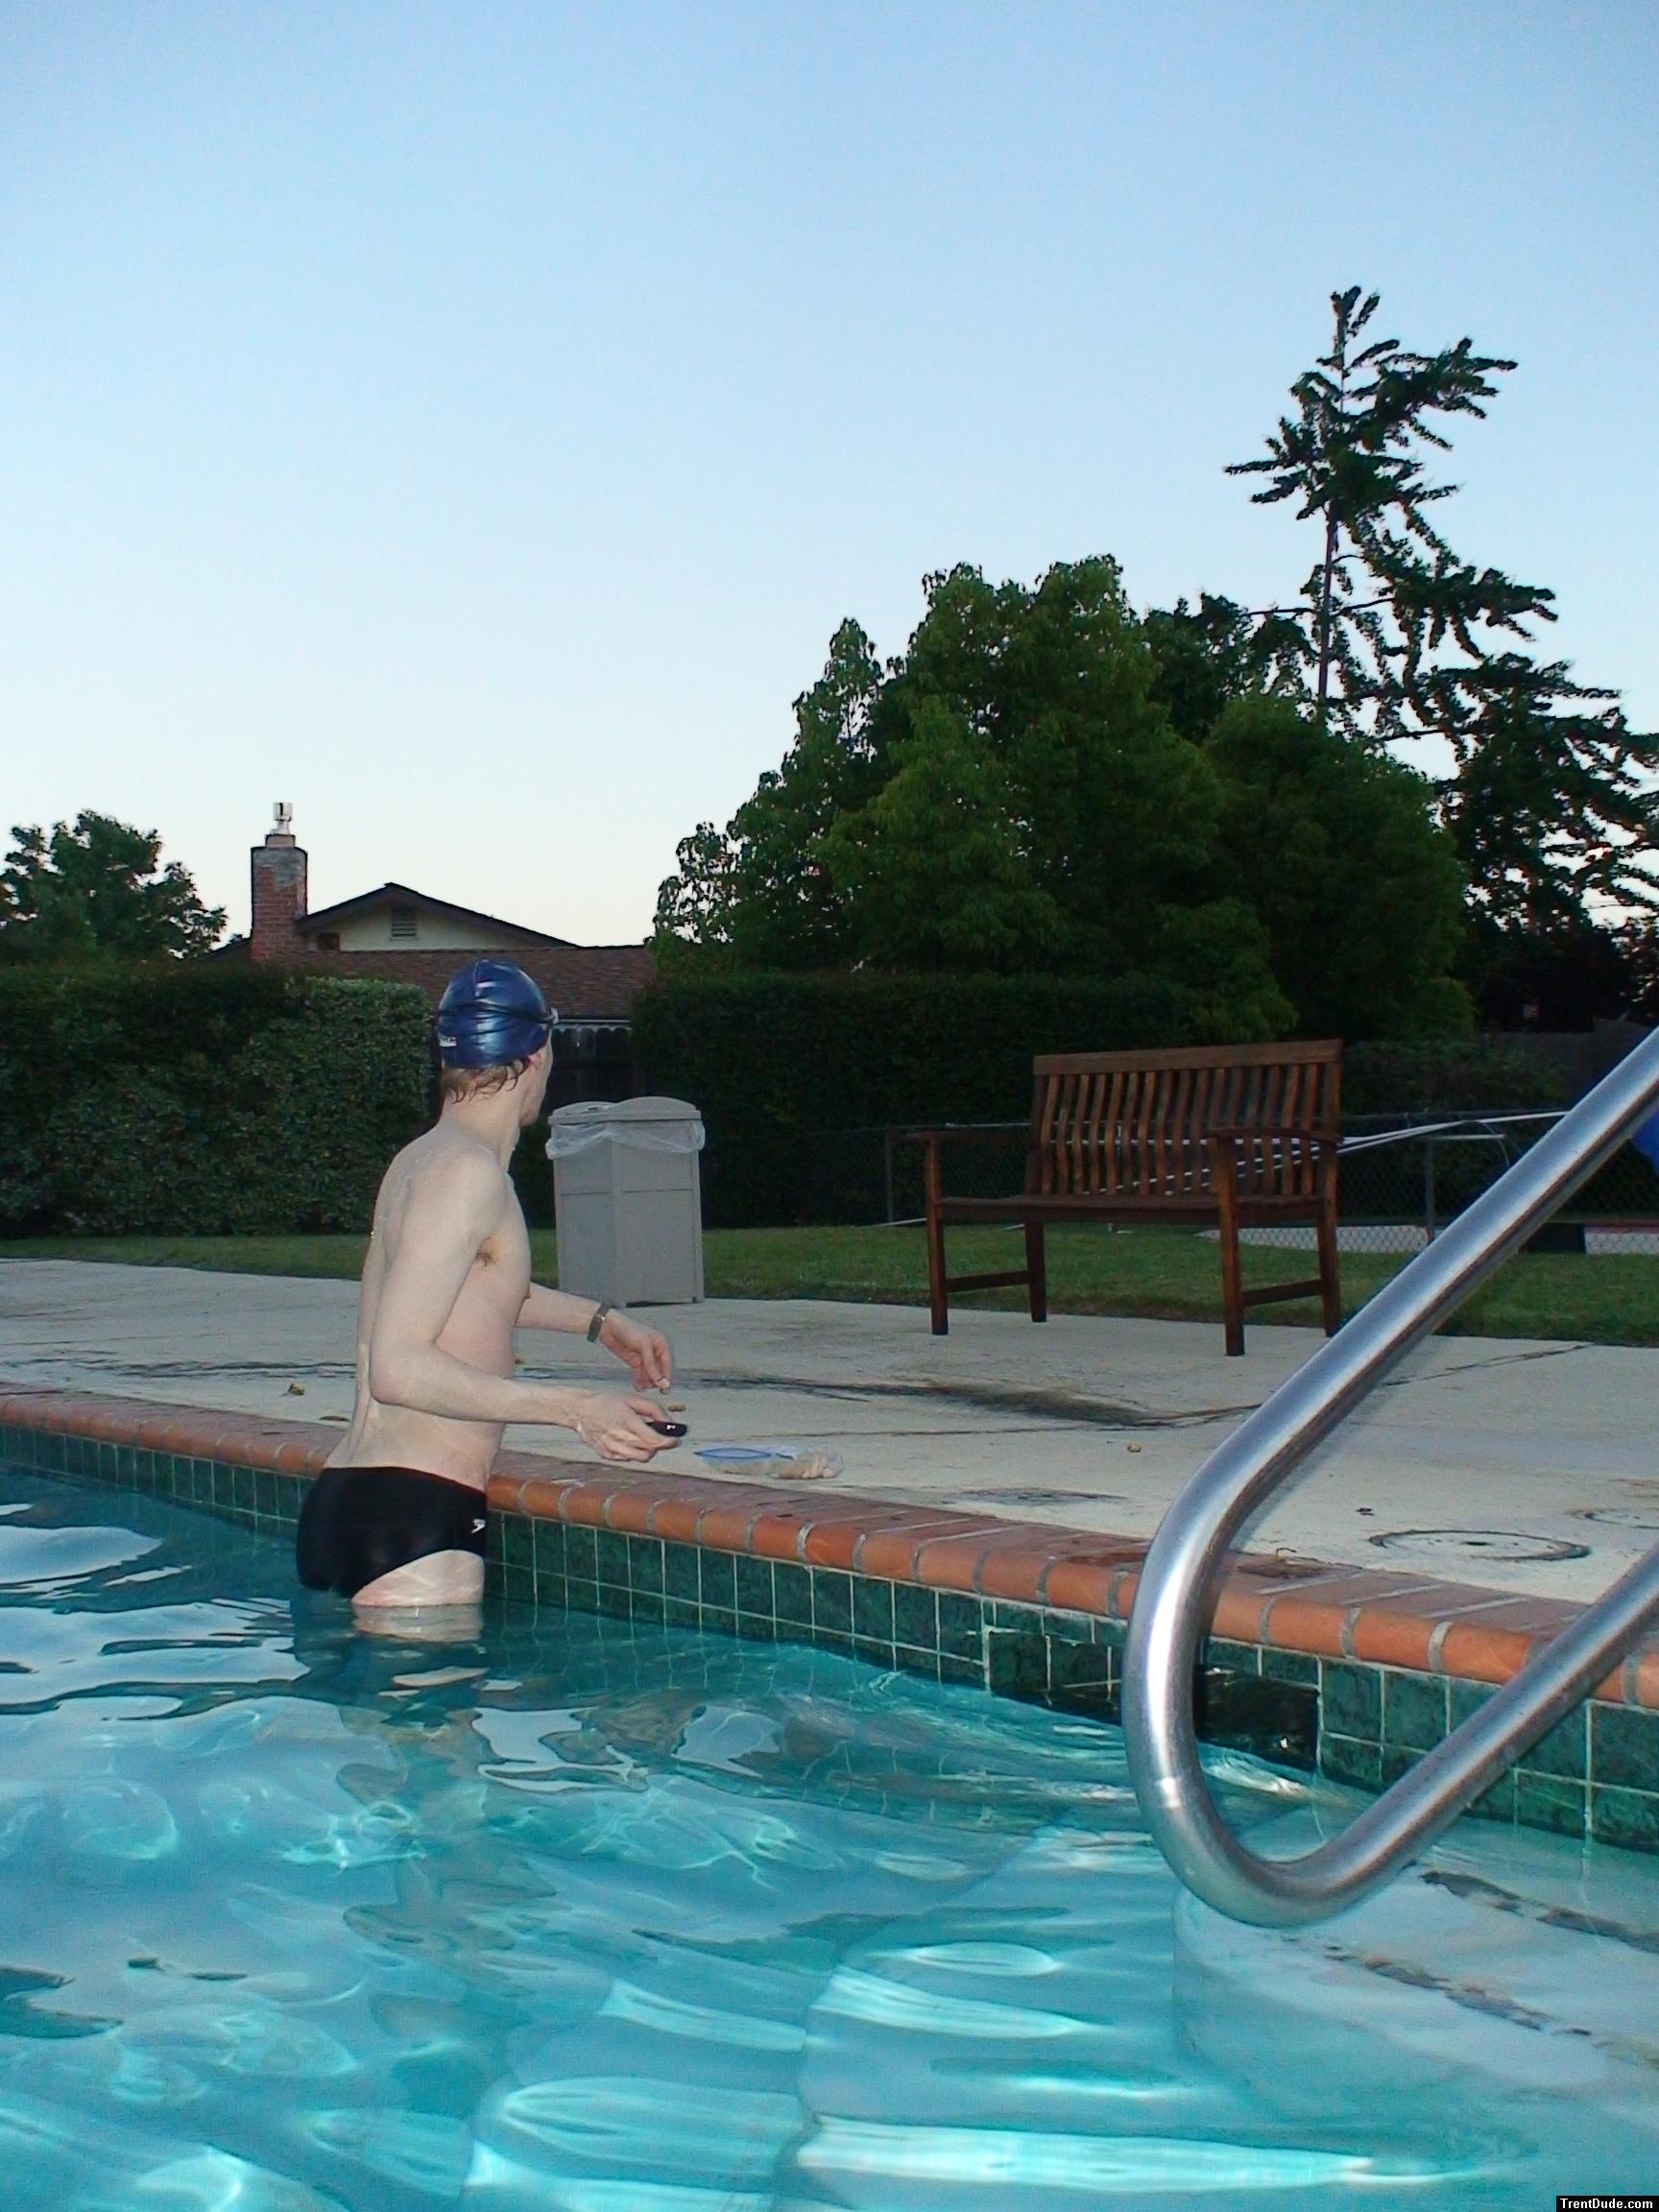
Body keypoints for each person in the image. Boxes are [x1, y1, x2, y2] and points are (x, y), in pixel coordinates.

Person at [297, 958, 679, 1613]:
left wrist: (601, 1322)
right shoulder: (470, 1177)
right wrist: (576, 1407)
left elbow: (466, 1290)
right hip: (416, 1521)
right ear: (534, 1057)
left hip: (343, 1506)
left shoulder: (420, 1162)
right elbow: (397, 1366)